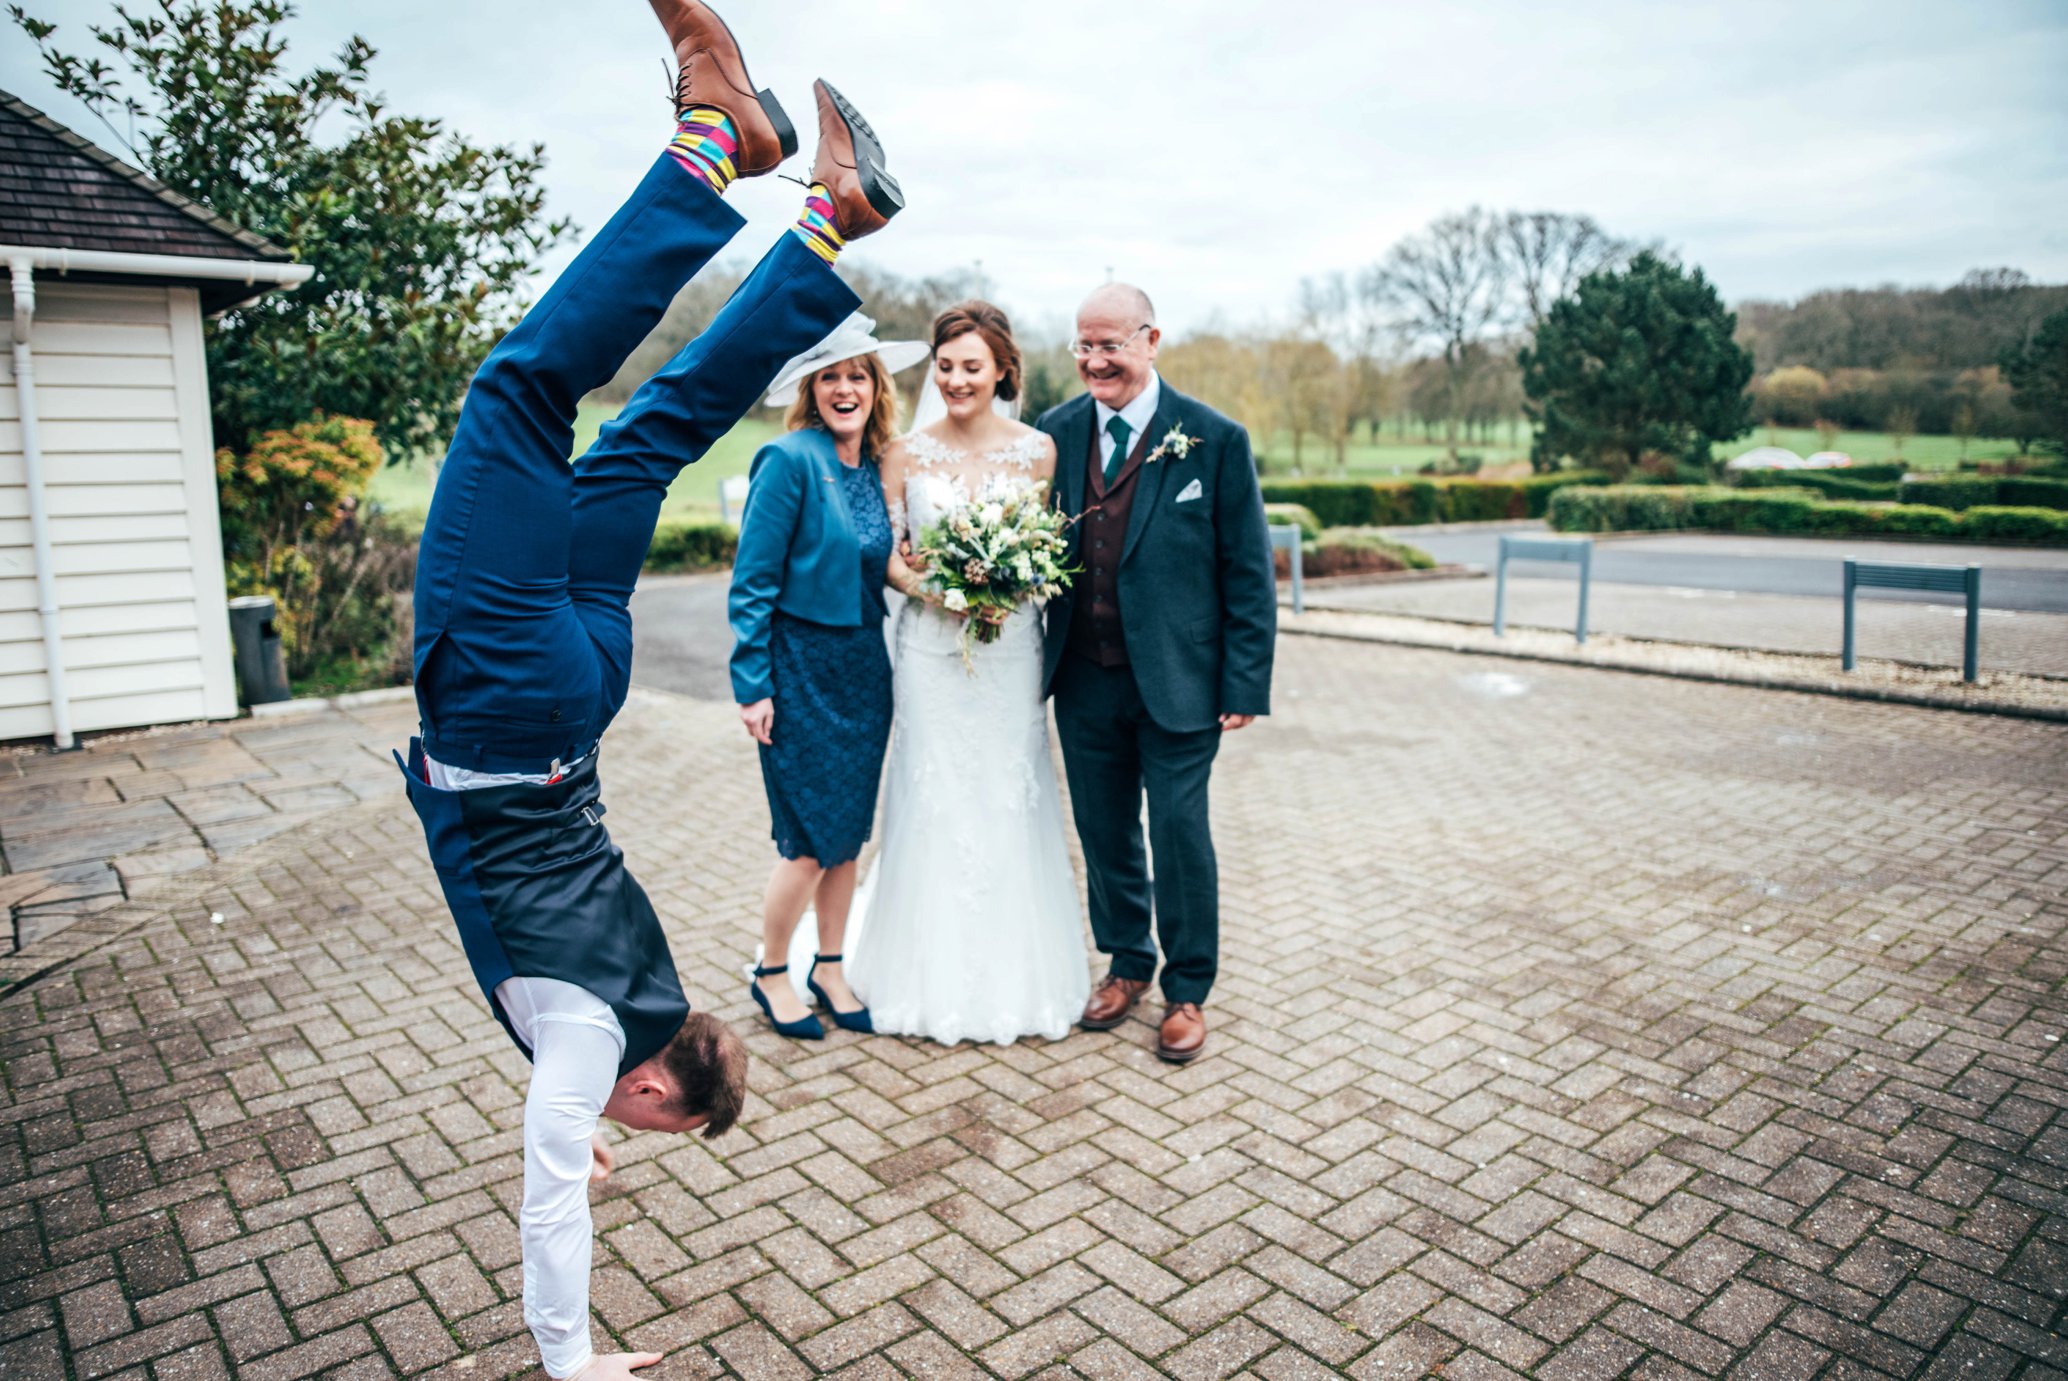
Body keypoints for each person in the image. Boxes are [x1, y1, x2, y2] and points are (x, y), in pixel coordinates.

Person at [396, 4, 902, 1376]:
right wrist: (570, 1359)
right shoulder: (581, 1048)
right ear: (646, 1088)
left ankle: (826, 226)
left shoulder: (650, 988)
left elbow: (603, 1094)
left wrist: (597, 1129)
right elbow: (550, 1193)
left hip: (584, 688)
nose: (616, 1130)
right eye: (646, 1124)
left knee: (657, 433)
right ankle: (712, 143)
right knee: (517, 394)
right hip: (507, 700)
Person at [841, 302, 1092, 1045]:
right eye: (945, 366)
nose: (955, 379)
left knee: (1007, 792)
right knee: (935, 790)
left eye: (971, 367)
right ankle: (919, 974)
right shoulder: (903, 455)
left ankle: (1018, 978)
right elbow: (889, 555)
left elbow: (1044, 549)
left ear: (1002, 371)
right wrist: (944, 589)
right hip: (928, 653)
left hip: (1011, 651)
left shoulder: (1038, 452)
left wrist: (1004, 585)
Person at [1037, 283, 1276, 1064]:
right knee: (1104, 833)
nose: (1095, 360)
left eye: (1110, 344)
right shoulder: (1055, 434)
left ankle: (1188, 989)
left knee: (1177, 835)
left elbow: (1247, 572)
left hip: (1181, 682)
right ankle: (1127, 963)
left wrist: (1243, 684)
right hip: (1083, 676)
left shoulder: (1214, 438)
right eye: (1083, 345)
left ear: (1150, 340)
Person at [728, 315, 928, 1039]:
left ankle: (831, 965)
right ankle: (773, 969)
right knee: (808, 839)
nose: (847, 388)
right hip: (798, 668)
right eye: (832, 376)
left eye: (859, 375)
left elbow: (892, 564)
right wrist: (753, 684)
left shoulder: (877, 467)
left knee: (847, 834)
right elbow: (751, 583)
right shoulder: (787, 460)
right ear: (813, 390)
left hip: (863, 670)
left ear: (879, 388)